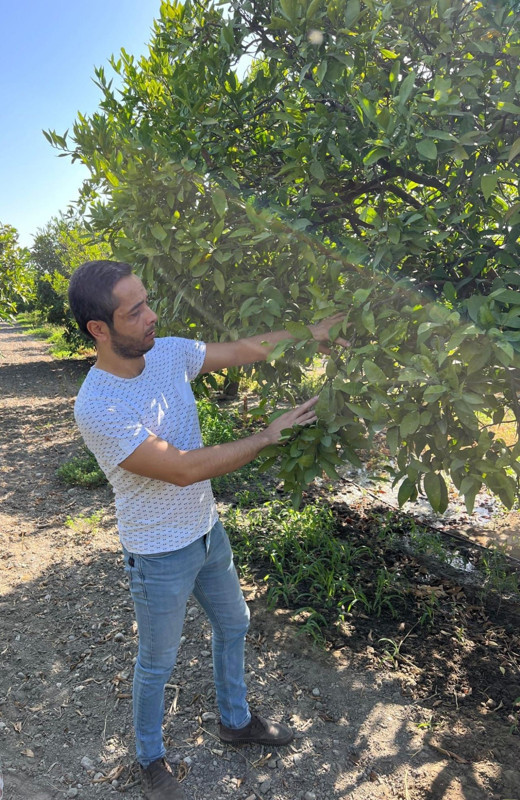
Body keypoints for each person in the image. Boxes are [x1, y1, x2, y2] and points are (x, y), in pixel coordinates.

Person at [68, 260, 346, 800]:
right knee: (157, 663)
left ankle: (235, 721)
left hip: (206, 531)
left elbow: (242, 350)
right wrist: (265, 437)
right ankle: (150, 759)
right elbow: (181, 469)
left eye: (148, 301)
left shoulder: (167, 352)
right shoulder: (98, 405)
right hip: (157, 553)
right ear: (99, 329)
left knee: (234, 622)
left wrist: (312, 334)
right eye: (135, 311)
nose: (152, 315)